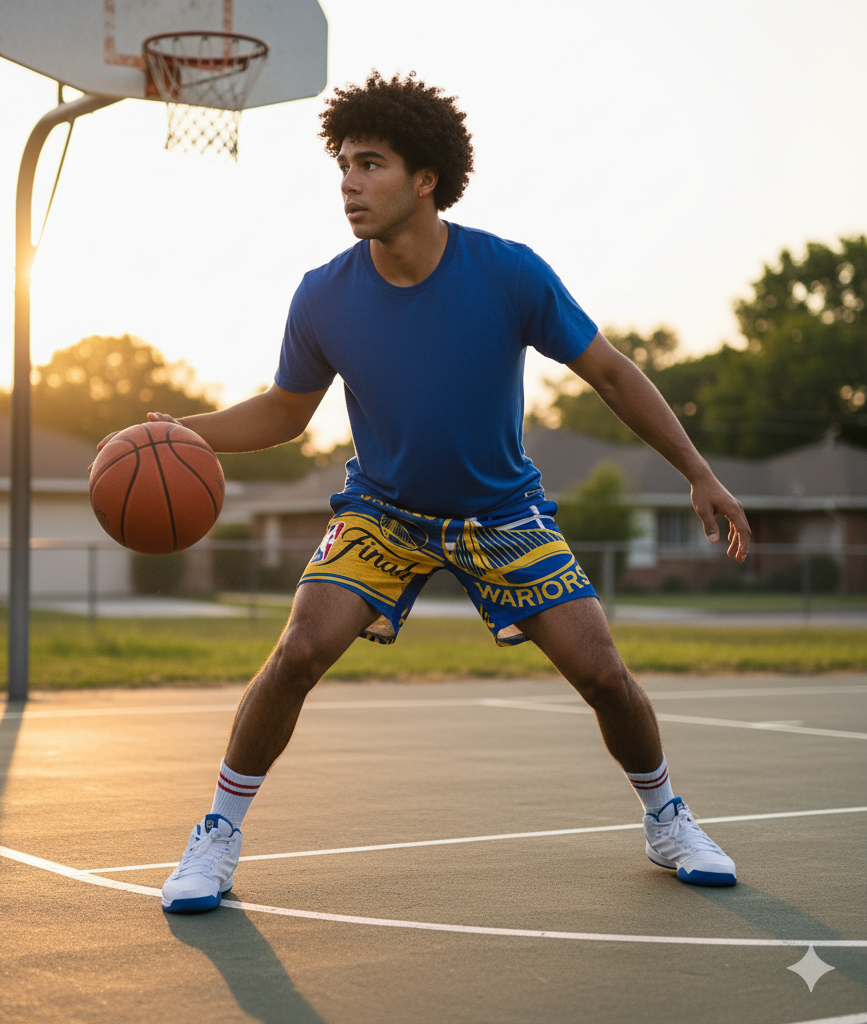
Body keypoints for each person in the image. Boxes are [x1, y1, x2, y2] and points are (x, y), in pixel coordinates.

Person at [105, 71, 751, 913]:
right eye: (342, 164)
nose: (348, 182)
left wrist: (697, 472)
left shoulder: (509, 274)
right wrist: (180, 432)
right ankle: (217, 835)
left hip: (502, 513)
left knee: (602, 674)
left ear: (426, 179)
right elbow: (284, 413)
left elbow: (612, 375)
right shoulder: (323, 295)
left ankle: (666, 818)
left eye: (370, 164)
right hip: (384, 513)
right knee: (298, 651)